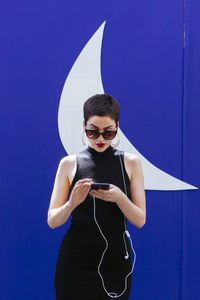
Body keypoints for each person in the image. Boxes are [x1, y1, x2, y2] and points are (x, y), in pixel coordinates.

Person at [47, 93, 146, 300]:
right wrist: (72, 203)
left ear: (117, 126)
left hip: (115, 263)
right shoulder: (69, 163)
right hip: (75, 264)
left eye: (108, 133)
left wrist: (120, 197)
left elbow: (139, 219)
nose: (100, 139)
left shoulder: (130, 162)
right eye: (93, 132)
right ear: (84, 125)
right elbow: (53, 221)